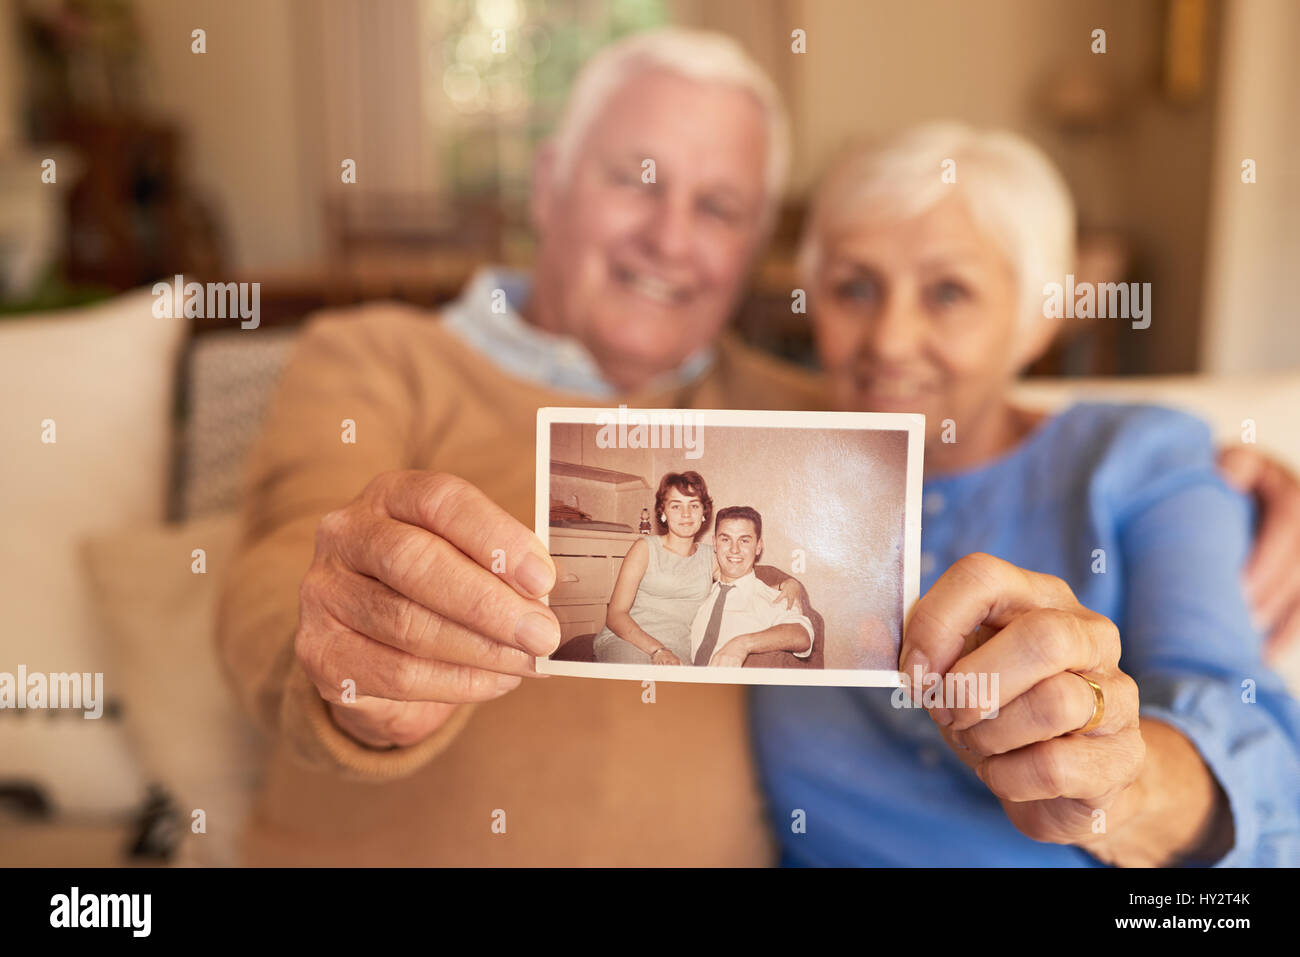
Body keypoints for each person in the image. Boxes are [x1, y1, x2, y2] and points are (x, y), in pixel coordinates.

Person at [217, 28, 1300, 867]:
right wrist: (344, 653)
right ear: (547, 184)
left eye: (719, 205)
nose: (670, 235)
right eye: (634, 178)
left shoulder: (813, 423)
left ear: (749, 252)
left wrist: (1234, 473)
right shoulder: (377, 356)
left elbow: (982, 427)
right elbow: (275, 576)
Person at [749, 123, 1300, 866]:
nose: (889, 338)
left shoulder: (1142, 458)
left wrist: (1125, 788)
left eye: (948, 291)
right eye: (854, 287)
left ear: (1038, 315)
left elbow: (1262, 757)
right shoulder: (757, 465)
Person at [594, 472, 804, 665]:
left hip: (679, 651)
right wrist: (657, 650)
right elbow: (615, 615)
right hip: (629, 641)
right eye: (676, 506)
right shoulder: (645, 548)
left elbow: (741, 582)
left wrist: (790, 584)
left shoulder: (710, 556)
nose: (686, 514)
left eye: (693, 505)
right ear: (663, 511)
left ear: (704, 512)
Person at [688, 507, 815, 667]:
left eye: (744, 540)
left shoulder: (774, 598)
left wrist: (743, 644)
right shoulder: (699, 593)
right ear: (714, 543)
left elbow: (802, 636)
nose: (734, 549)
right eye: (725, 539)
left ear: (758, 547)